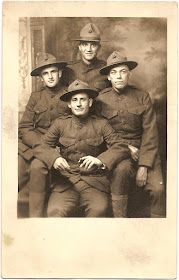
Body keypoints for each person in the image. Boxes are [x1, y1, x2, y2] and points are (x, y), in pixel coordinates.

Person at [33, 80, 130, 217]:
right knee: (54, 212)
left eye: (83, 100)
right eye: (74, 100)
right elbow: (40, 146)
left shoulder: (101, 124)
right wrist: (54, 158)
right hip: (66, 184)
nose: (78, 104)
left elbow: (121, 147)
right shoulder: (60, 124)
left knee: (99, 211)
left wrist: (100, 160)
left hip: (94, 183)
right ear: (69, 104)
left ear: (90, 102)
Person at [96, 51, 166, 218]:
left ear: (129, 74)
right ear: (108, 77)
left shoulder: (142, 97)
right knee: (121, 173)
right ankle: (121, 225)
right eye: (113, 72)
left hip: (144, 151)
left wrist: (144, 165)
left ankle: (158, 232)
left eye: (122, 71)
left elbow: (150, 132)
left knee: (158, 188)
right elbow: (100, 133)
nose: (118, 76)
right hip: (117, 152)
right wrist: (126, 148)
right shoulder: (100, 100)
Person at [18, 52, 70, 217]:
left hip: (61, 147)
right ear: (41, 77)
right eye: (45, 74)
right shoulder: (36, 97)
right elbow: (25, 127)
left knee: (37, 167)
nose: (50, 76)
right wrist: (42, 145)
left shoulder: (70, 94)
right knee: (18, 170)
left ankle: (37, 219)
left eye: (53, 72)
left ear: (60, 73)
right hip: (38, 145)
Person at [66, 22, 110, 92]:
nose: (89, 49)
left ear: (99, 47)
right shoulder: (69, 69)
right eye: (85, 45)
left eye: (93, 45)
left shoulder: (106, 69)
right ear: (80, 47)